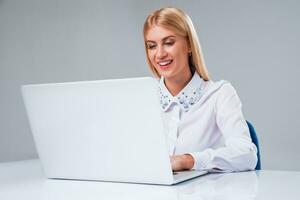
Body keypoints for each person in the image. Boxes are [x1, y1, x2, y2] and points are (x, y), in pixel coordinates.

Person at [143, 7, 258, 172]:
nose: (159, 54)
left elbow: (247, 155)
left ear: (189, 44)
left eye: (168, 43)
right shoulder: (143, 96)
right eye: (152, 46)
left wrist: (188, 160)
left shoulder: (219, 94)